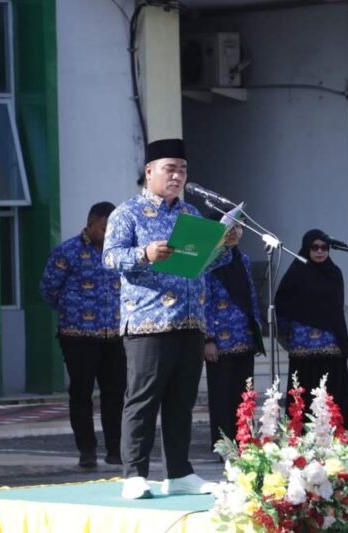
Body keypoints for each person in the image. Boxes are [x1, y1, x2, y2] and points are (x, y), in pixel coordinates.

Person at [102, 138, 219, 499]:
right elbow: (109, 258)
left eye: (182, 170)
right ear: (149, 171)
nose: (177, 176)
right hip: (148, 322)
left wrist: (224, 246)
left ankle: (179, 472)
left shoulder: (191, 214)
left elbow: (206, 264)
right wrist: (145, 253)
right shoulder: (128, 213)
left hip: (190, 321)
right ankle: (134, 474)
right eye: (170, 169)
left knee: (182, 403)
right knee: (143, 400)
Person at [39, 202, 125, 468]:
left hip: (115, 336)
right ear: (90, 224)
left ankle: (115, 450)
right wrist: (71, 310)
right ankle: (87, 450)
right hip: (78, 337)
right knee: (81, 393)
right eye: (104, 228)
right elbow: (48, 288)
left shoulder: (120, 252)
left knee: (115, 394)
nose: (108, 233)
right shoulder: (68, 252)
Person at [275, 229, 348, 428]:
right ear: (306, 248)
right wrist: (289, 331)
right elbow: (282, 303)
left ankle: (336, 434)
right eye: (315, 247)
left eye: (324, 247)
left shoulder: (334, 273)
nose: (320, 251)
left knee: (331, 393)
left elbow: (337, 309)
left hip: (330, 345)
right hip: (303, 347)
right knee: (304, 395)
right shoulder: (296, 273)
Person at [204, 217, 262, 454]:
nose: (236, 232)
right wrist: (207, 339)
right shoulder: (208, 260)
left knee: (244, 393)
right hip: (220, 340)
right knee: (221, 394)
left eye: (239, 227)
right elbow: (204, 300)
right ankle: (223, 445)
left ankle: (245, 441)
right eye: (231, 227)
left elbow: (251, 296)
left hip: (244, 336)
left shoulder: (242, 259)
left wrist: (256, 332)